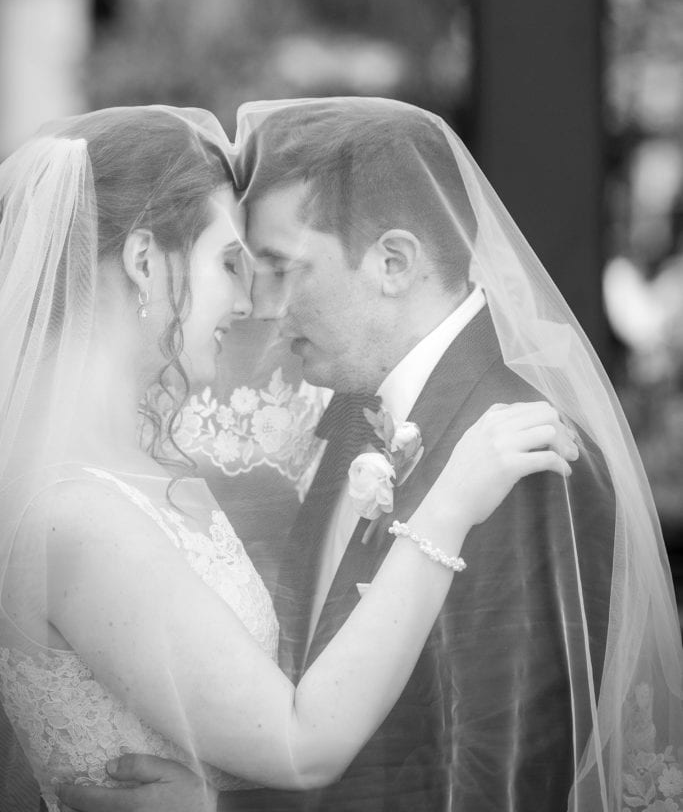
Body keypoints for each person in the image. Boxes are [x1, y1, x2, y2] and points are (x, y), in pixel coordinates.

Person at [59, 98, 683, 812]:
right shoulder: (354, 421)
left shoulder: (526, 461)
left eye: (282, 269)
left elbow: (498, 786)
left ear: (392, 262)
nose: (261, 307)